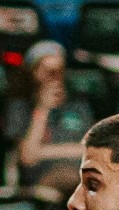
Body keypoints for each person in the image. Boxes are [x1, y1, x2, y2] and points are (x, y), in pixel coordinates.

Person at [8, 41, 92, 197]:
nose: (54, 77)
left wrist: (42, 151)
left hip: (81, 181)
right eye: (47, 70)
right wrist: (42, 108)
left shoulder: (79, 106)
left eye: (59, 70)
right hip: (41, 186)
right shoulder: (20, 107)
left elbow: (89, 150)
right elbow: (28, 157)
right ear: (33, 73)